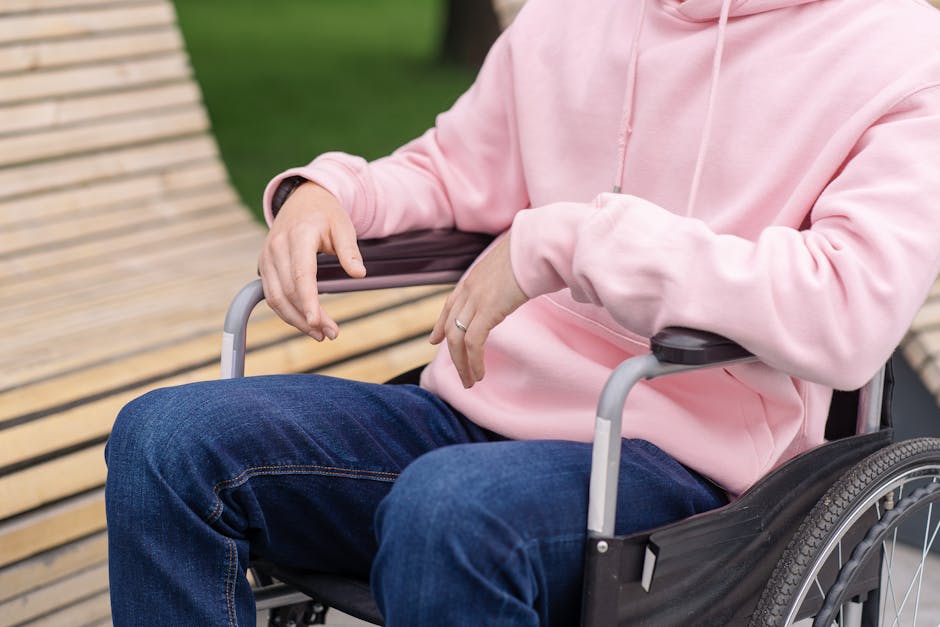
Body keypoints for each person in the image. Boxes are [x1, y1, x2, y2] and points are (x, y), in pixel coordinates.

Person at [105, 0, 940, 624]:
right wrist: (332, 192)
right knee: (165, 443)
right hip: (476, 410)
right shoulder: (573, 14)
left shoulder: (901, 53)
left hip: (689, 463)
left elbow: (848, 308)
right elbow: (454, 166)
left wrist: (572, 240)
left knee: (450, 510)